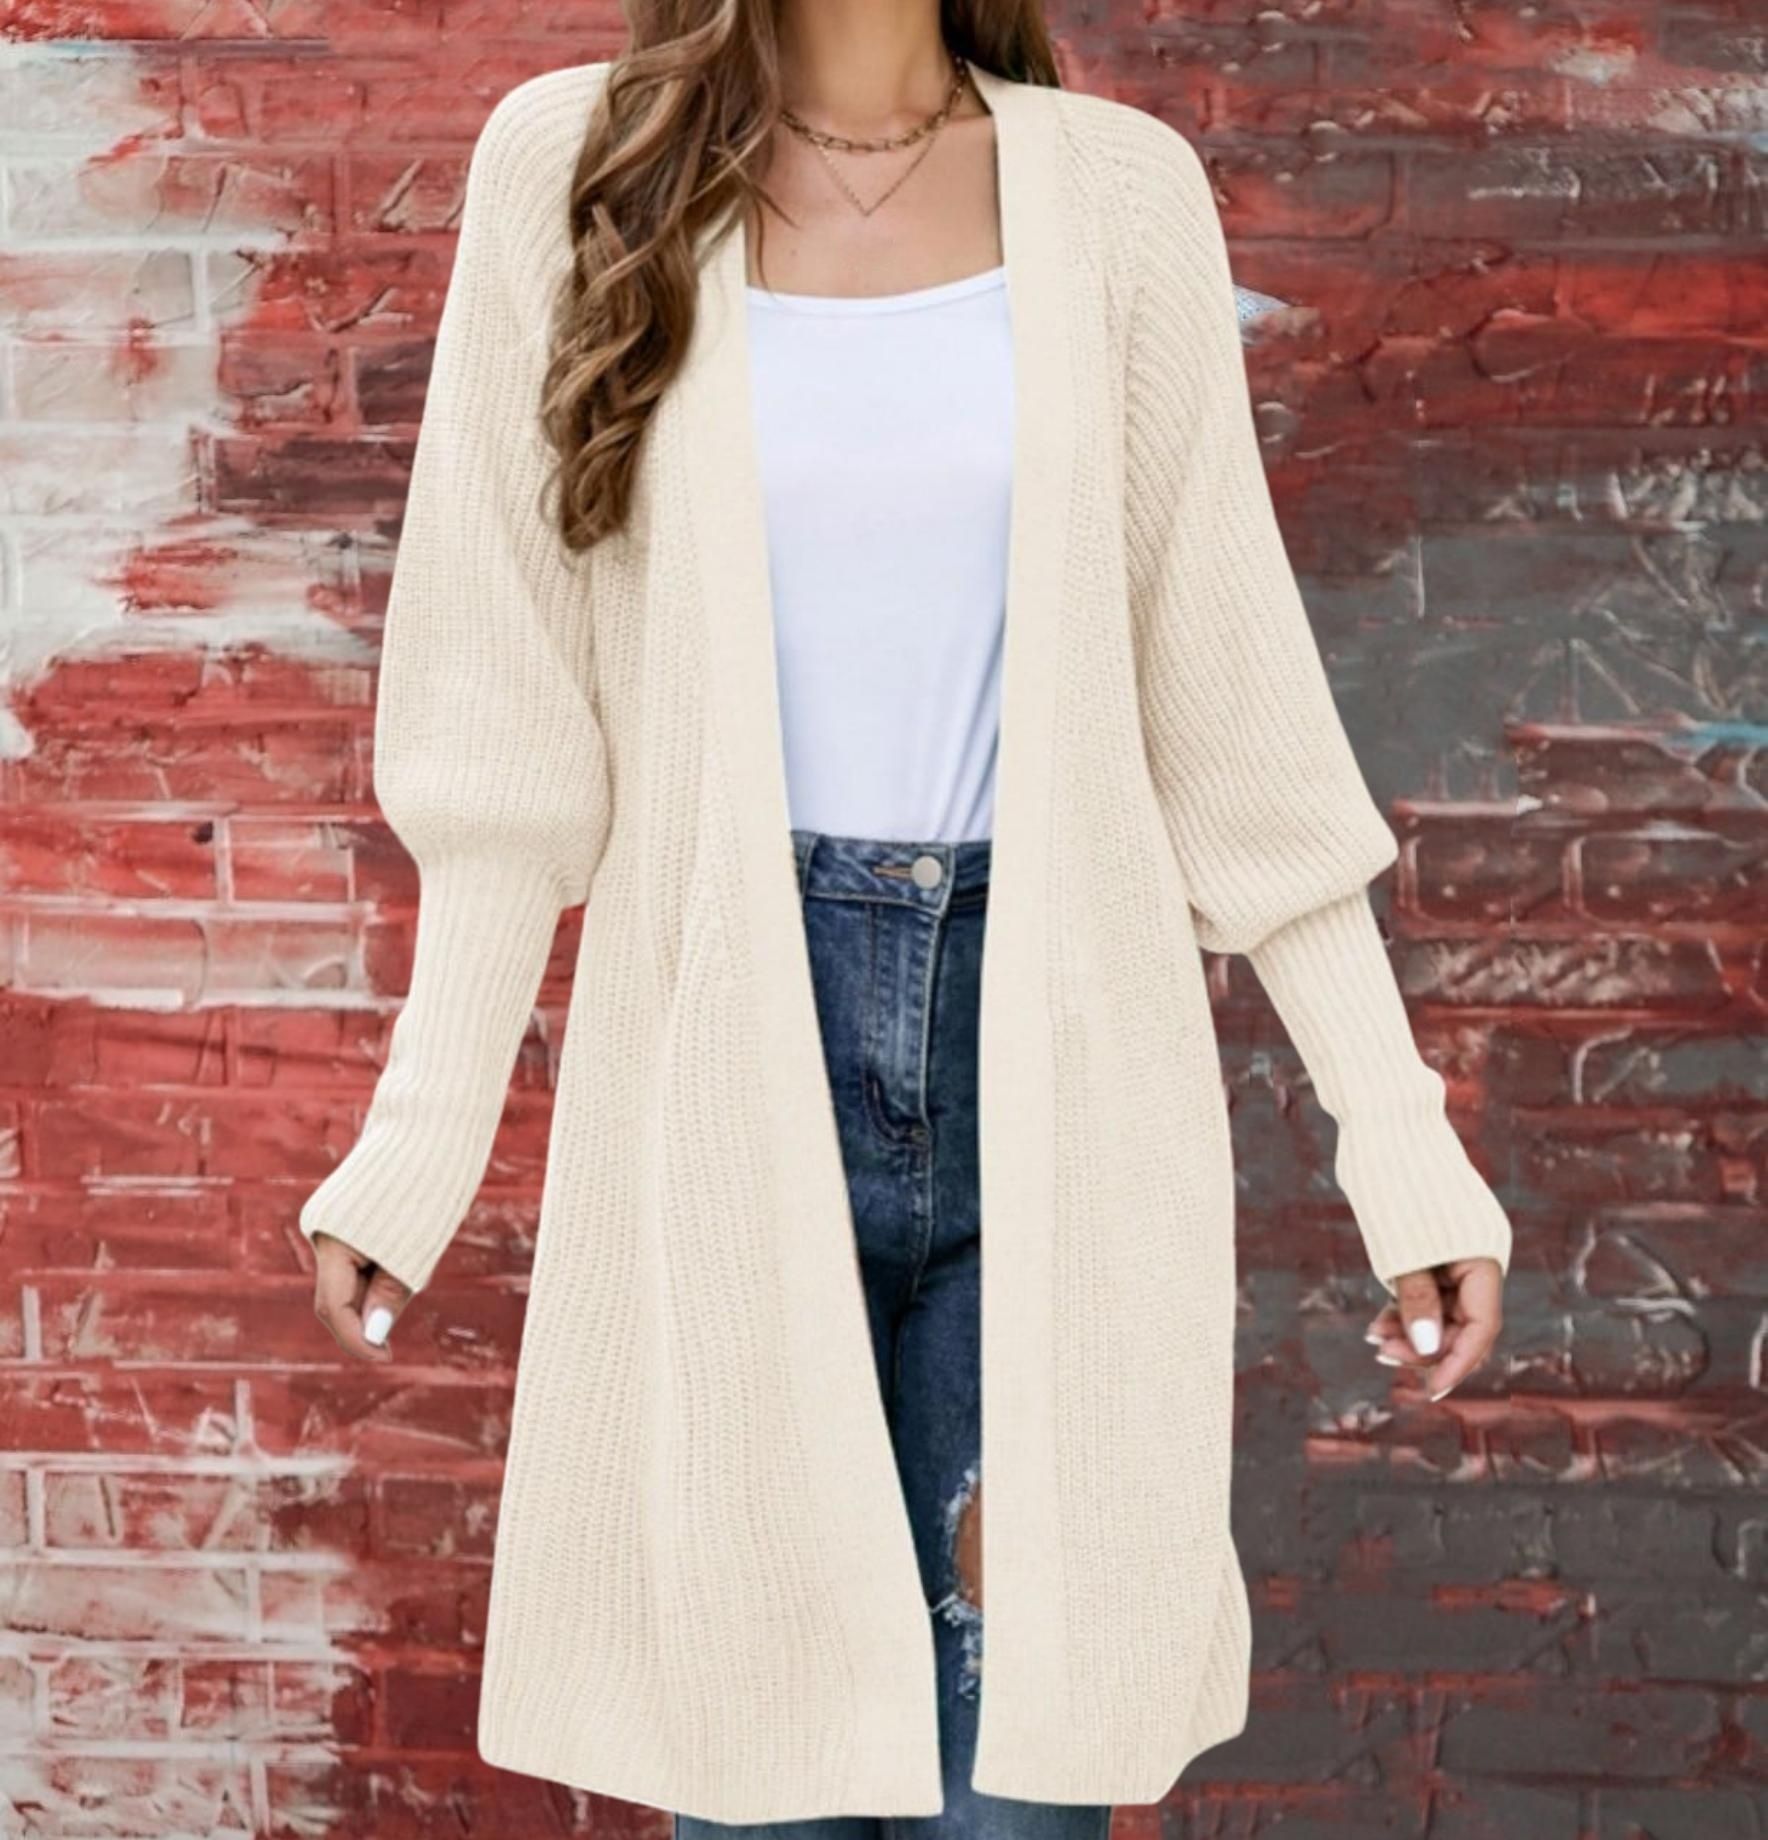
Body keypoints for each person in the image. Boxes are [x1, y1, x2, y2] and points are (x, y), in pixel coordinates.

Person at [300, 8, 1514, 1836]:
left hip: (1062, 1082)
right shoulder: (577, 168)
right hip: (726, 1064)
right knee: (761, 1784)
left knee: (1016, 1795)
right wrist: (422, 1139)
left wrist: (1400, 1144)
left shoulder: (1118, 199)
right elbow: (502, 725)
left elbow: (1236, 721)